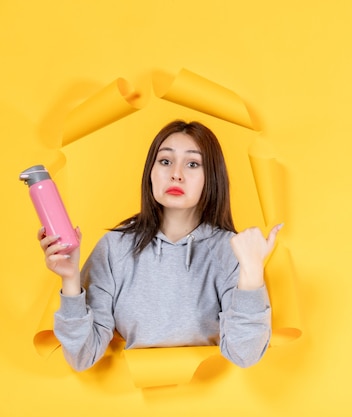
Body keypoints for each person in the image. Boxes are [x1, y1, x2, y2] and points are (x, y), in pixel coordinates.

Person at [38, 120, 282, 371]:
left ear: (212, 177)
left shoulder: (231, 251)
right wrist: (69, 281)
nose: (176, 173)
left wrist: (252, 271)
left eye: (193, 164)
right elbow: (82, 357)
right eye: (165, 161)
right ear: (150, 172)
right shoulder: (114, 248)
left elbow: (245, 354)